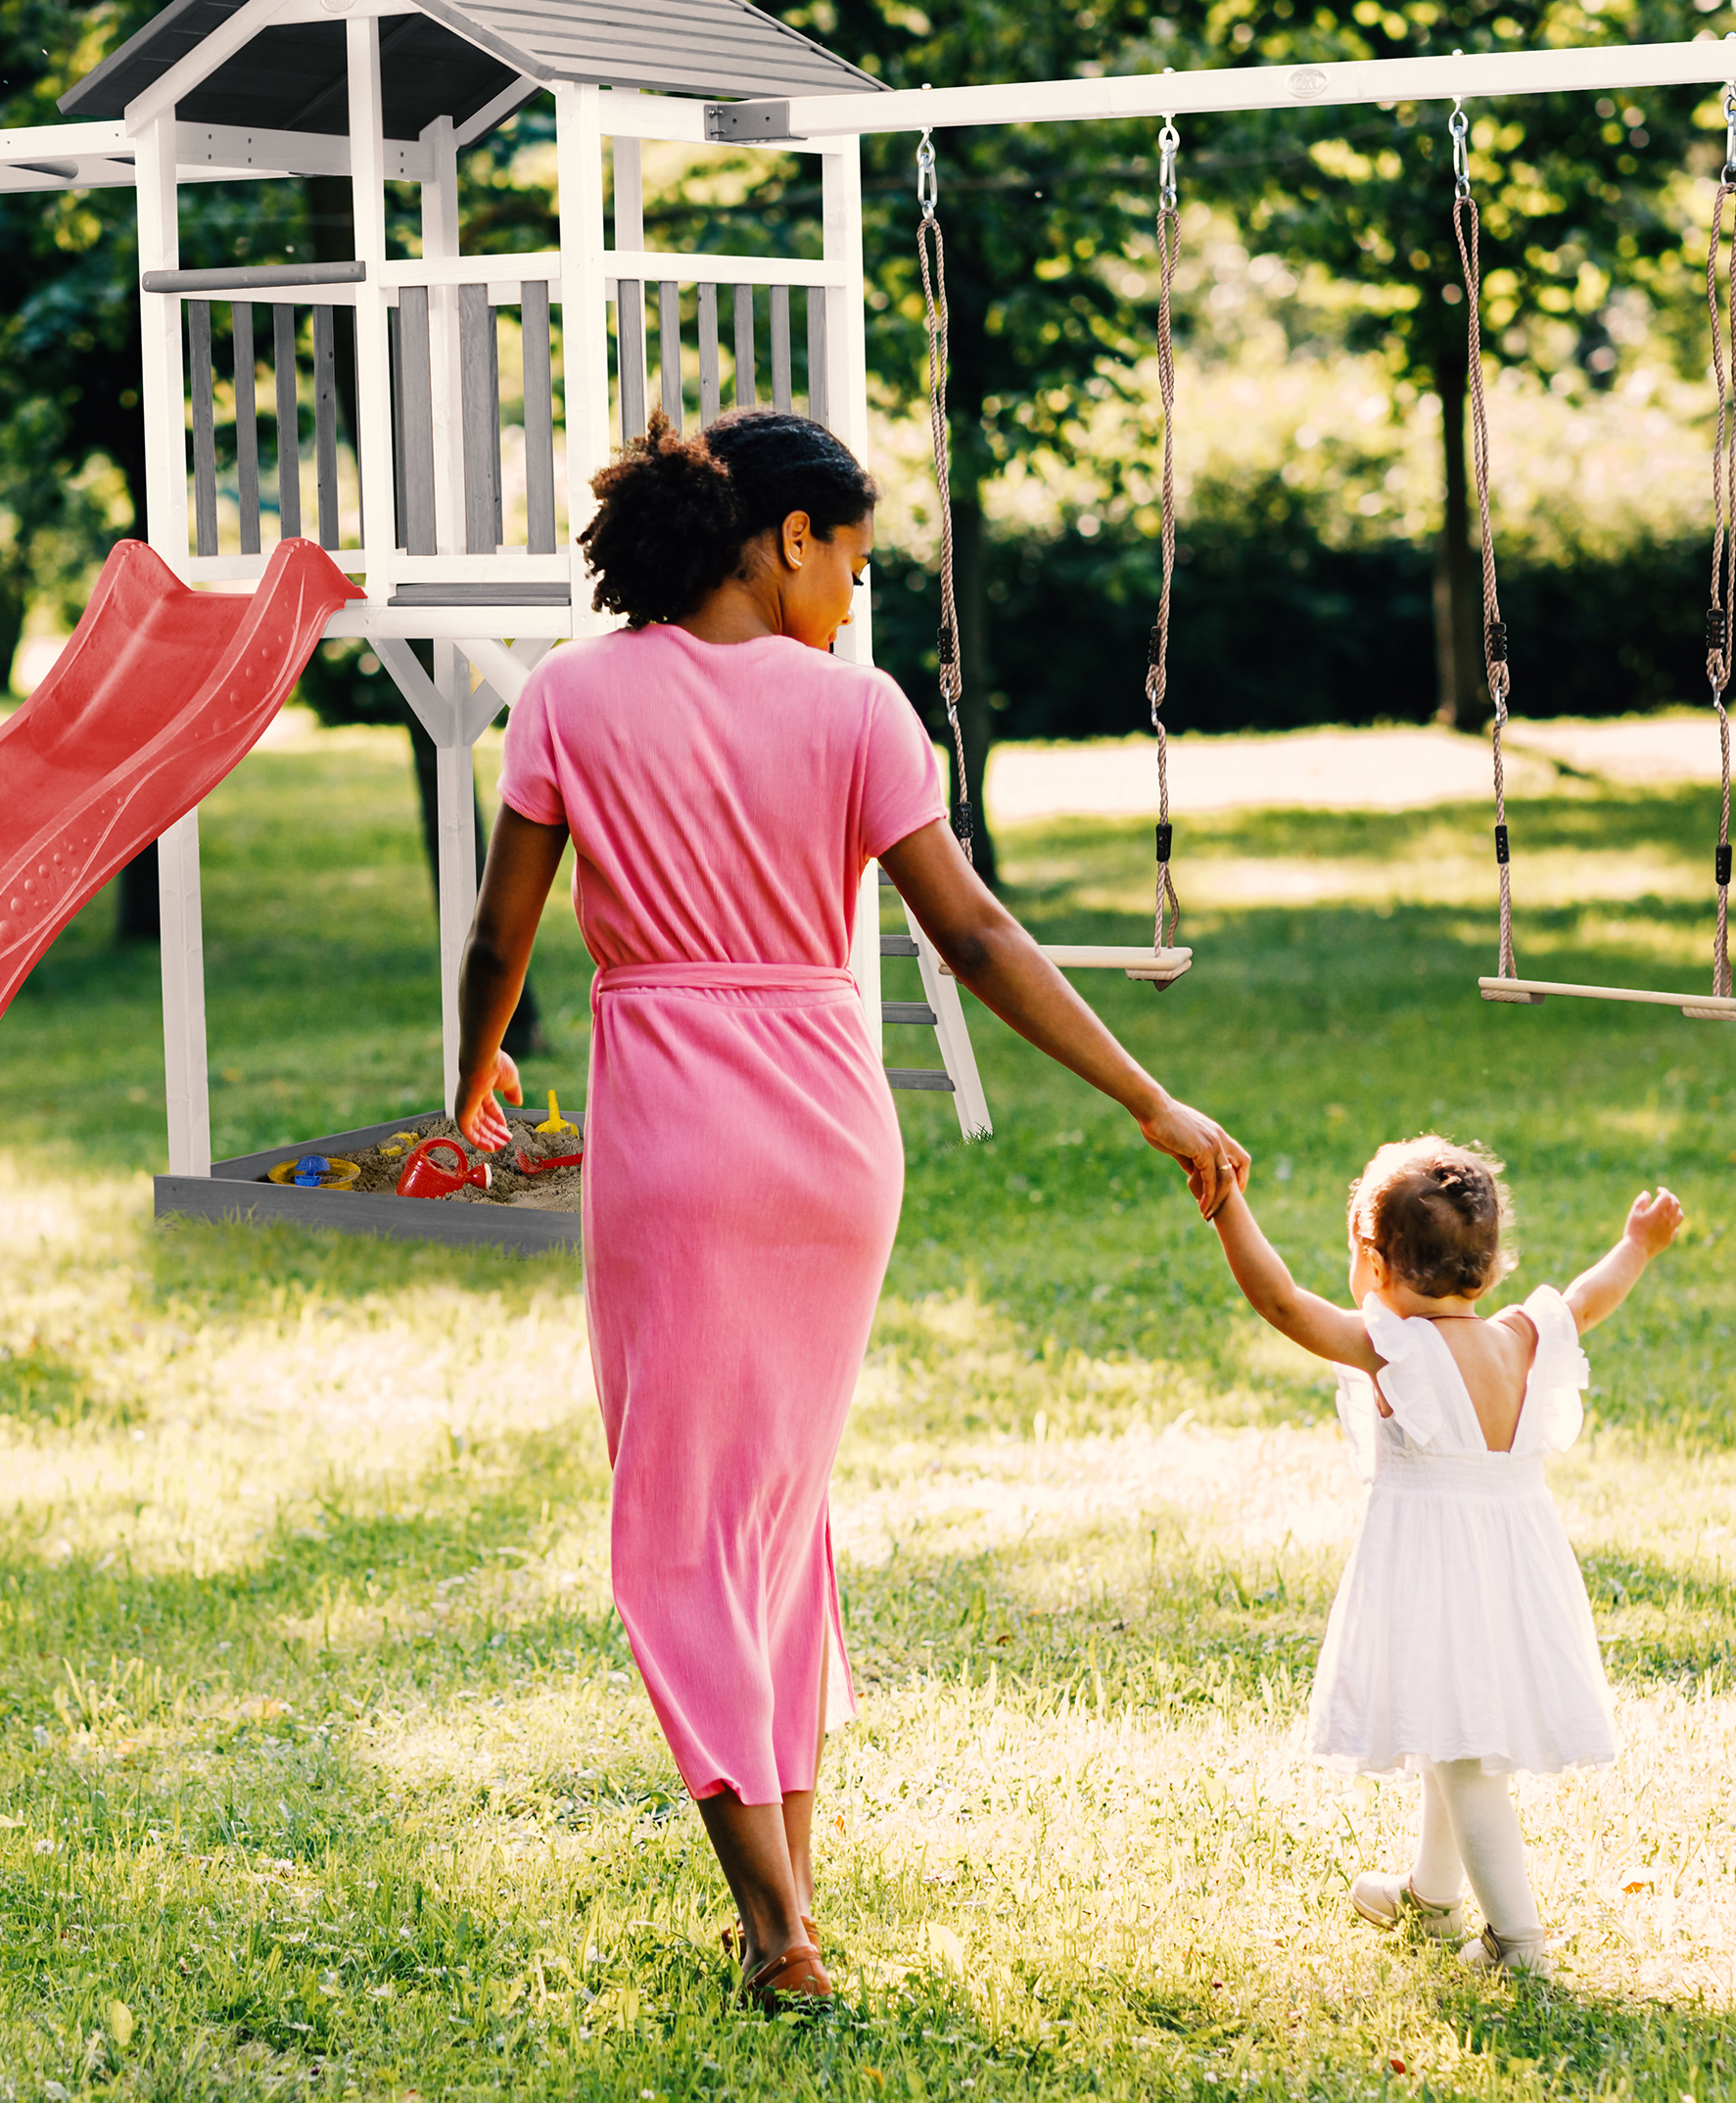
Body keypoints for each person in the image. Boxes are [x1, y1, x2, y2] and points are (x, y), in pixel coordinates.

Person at [453, 409, 1249, 2007]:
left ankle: (776, 1928)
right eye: (855, 561)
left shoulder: (569, 697)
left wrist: (468, 1077)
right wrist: (1146, 1095)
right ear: (786, 536)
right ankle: (790, 1897)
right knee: (773, 1517)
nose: (855, 596)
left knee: (680, 1529)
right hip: (829, 1137)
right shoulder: (859, 712)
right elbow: (975, 938)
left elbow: (501, 934)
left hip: (675, 1135)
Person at [1202, 1136, 1684, 1976]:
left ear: (1374, 1262)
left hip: (1437, 1573)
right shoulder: (1522, 1337)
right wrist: (1636, 1245)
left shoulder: (1395, 1351)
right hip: (1514, 1569)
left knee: (1463, 1758)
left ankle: (1517, 1942)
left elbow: (1280, 1302)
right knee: (1446, 1725)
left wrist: (1226, 1203)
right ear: (1491, 1268)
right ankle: (1431, 1898)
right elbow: (1588, 1295)